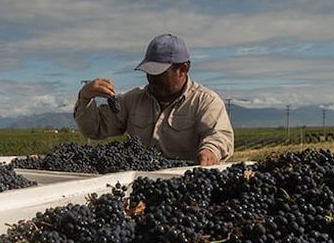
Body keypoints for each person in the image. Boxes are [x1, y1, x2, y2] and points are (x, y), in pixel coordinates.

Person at [74, 33, 234, 166]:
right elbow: (94, 129)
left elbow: (220, 135)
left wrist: (210, 151)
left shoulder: (205, 102)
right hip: (140, 184)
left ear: (183, 69)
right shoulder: (132, 100)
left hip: (183, 188)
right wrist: (85, 97)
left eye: (159, 73)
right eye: (149, 72)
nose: (151, 78)